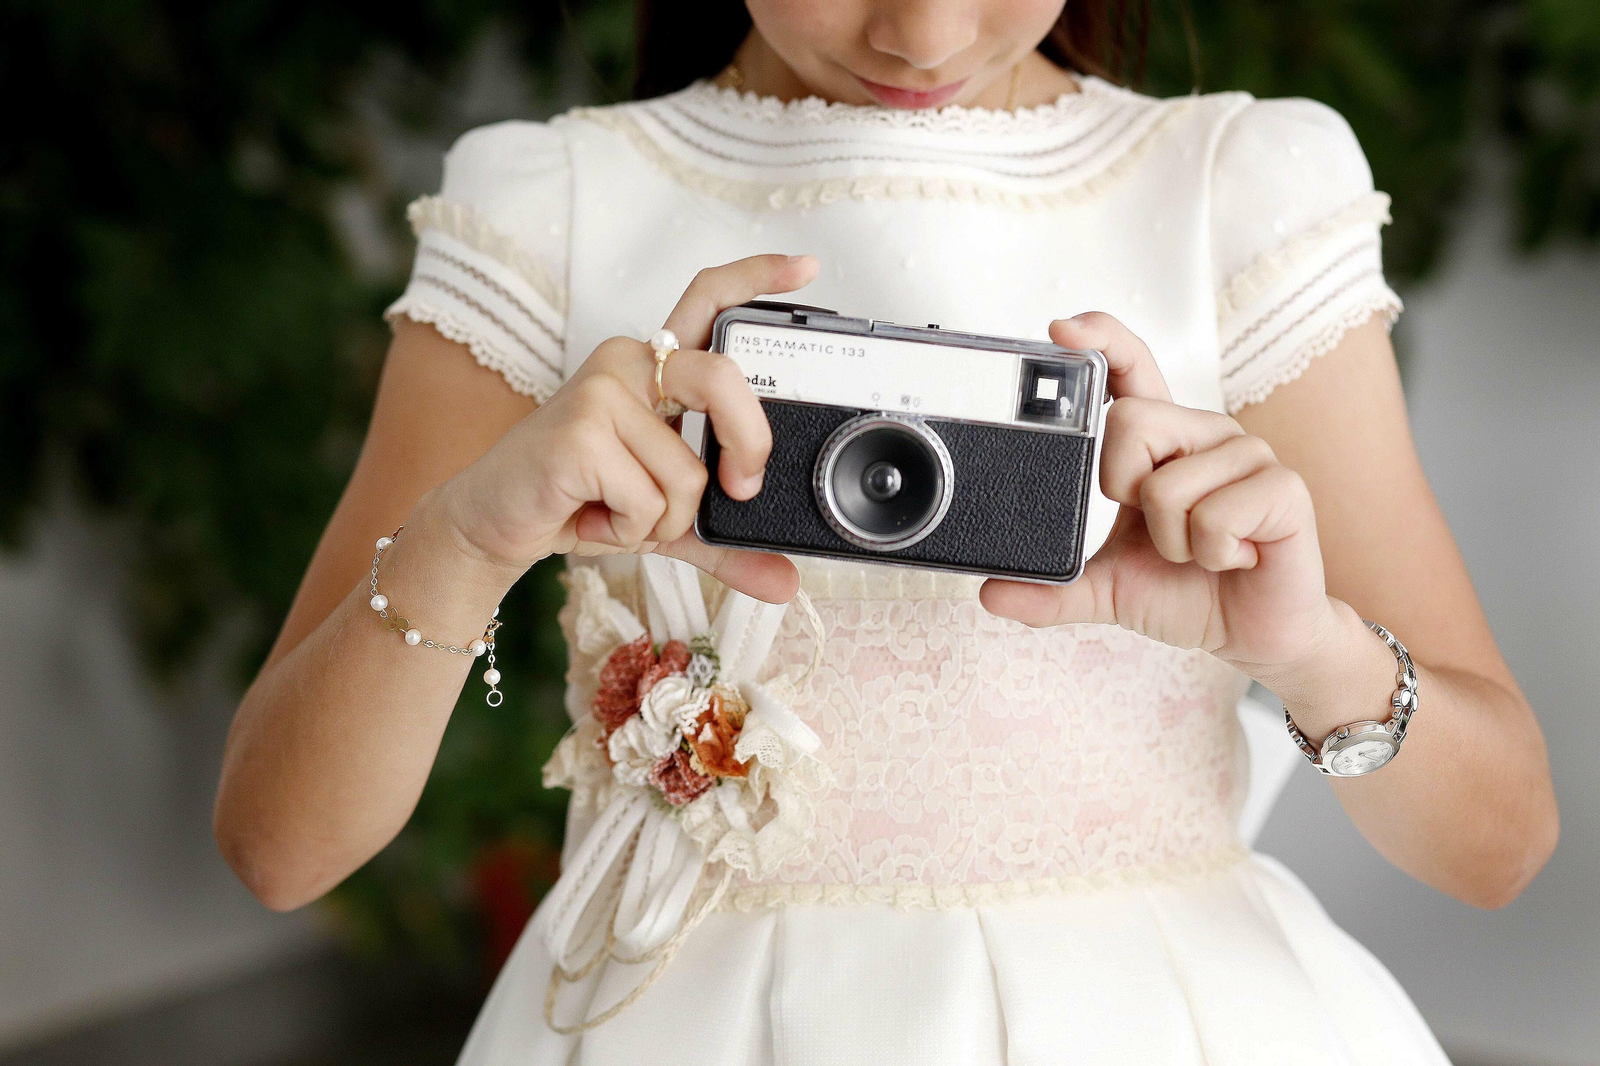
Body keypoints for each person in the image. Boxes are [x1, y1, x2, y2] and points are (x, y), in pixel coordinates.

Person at [213, 0, 1561, 1061]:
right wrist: (466, 539)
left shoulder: (1240, 186)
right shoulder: (547, 203)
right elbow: (281, 846)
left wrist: (1309, 648)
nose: (921, 31)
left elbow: (1500, 843)